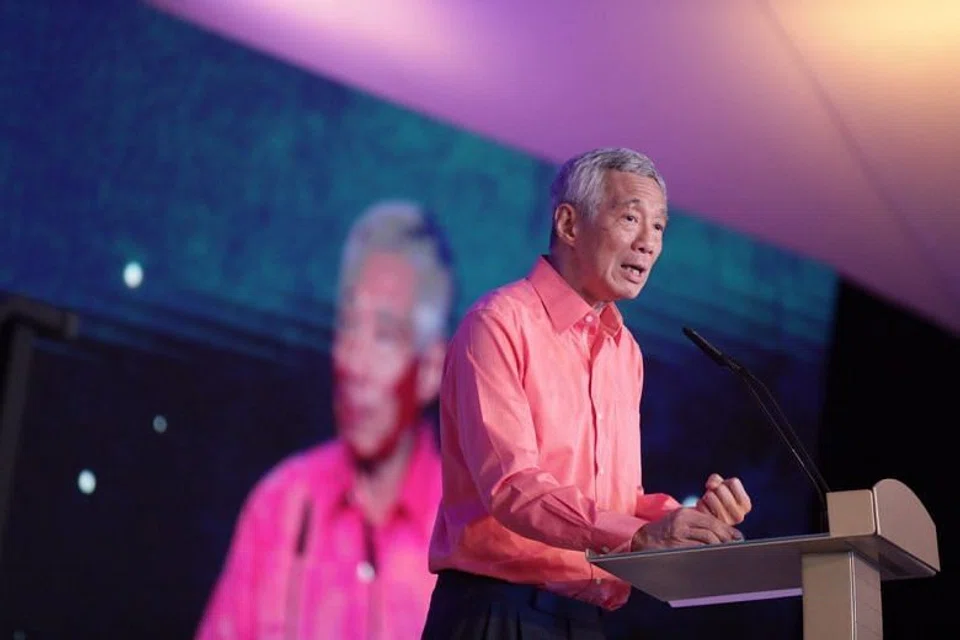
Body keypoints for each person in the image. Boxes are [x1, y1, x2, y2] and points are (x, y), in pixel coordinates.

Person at [421, 148, 753, 640]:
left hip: (585, 619)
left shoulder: (625, 352)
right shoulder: (499, 324)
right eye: (630, 219)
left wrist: (684, 525)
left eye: (659, 227)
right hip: (498, 611)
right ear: (569, 224)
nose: (648, 243)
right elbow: (511, 486)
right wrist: (638, 535)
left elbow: (616, 501)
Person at [196, 200, 456, 640]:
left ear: (431, 369)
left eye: (384, 336)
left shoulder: (470, 533)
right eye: (348, 326)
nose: (354, 363)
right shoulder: (279, 506)